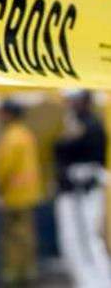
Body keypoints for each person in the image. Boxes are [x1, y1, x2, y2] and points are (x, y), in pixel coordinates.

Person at [54, 90, 111, 288]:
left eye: (74, 101)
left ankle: (98, 283)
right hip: (72, 192)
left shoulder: (92, 125)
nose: (70, 105)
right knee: (72, 241)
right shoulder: (74, 124)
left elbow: (69, 149)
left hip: (83, 192)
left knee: (87, 241)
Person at [0, 100, 42, 286]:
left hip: (14, 193)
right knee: (27, 234)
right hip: (30, 191)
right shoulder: (27, 134)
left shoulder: (10, 137)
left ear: (8, 114)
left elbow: (5, 166)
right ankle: (29, 271)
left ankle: (13, 274)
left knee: (12, 236)